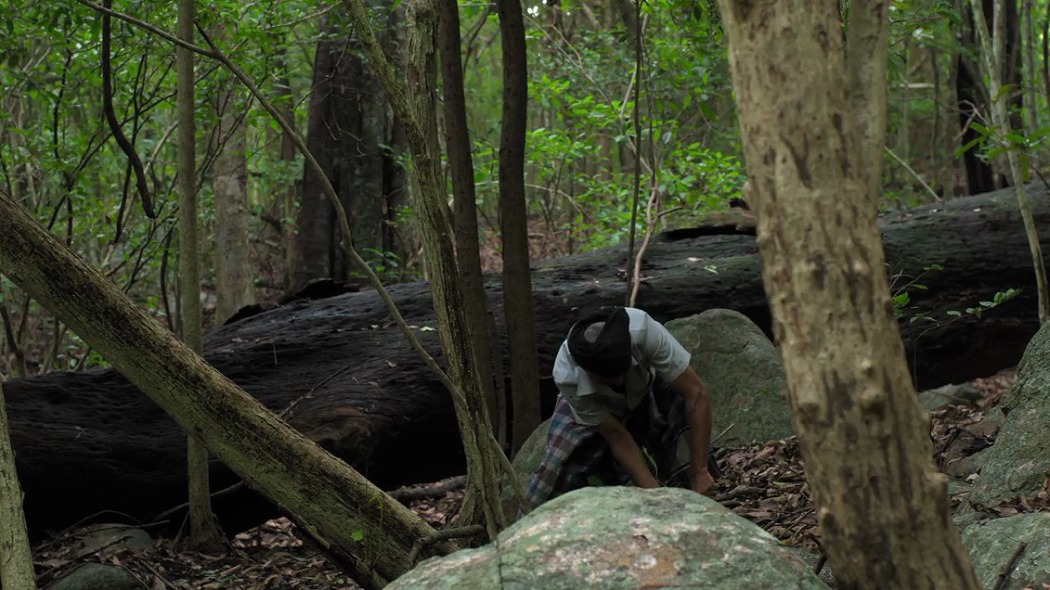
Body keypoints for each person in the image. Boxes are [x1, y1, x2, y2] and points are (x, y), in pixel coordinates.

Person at [526, 306, 717, 507]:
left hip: (647, 386)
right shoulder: (567, 375)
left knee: (679, 401)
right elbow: (616, 435)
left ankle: (691, 487)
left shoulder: (643, 330)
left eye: (621, 372)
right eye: (608, 379)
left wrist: (700, 471)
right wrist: (657, 497)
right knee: (555, 470)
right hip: (603, 411)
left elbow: (696, 394)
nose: (618, 382)